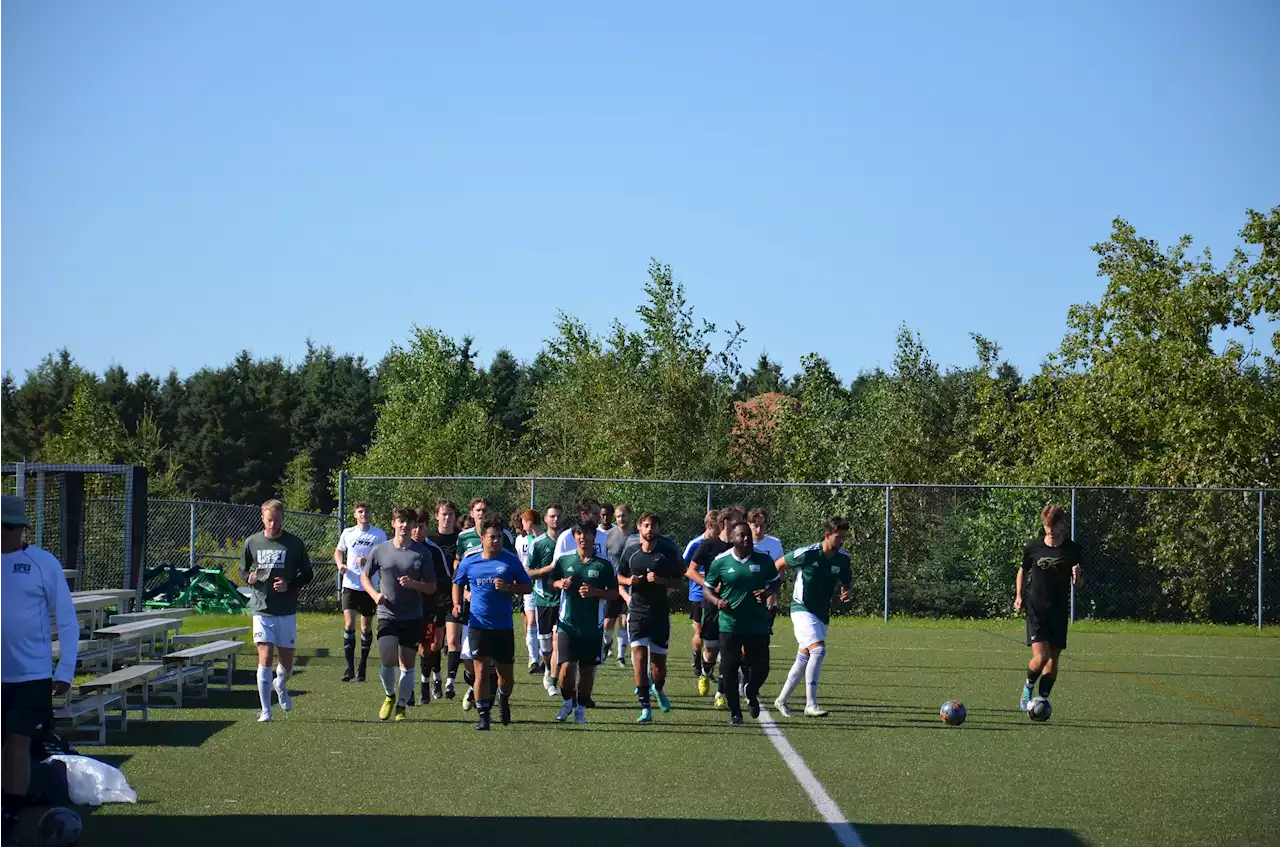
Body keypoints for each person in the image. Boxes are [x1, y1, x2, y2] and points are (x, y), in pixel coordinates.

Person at [0, 496, 77, 843]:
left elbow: (67, 619)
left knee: (17, 744)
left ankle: (10, 817)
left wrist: (66, 669)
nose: (6, 533)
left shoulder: (42, 563)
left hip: (31, 675)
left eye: (12, 527)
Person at [452, 514, 532, 730]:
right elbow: (457, 583)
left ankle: (503, 699)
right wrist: (457, 603)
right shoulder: (470, 560)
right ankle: (483, 715)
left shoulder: (510, 560)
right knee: (480, 672)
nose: (495, 541)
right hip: (478, 625)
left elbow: (528, 587)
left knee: (505, 677)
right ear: (483, 538)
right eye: (491, 537)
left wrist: (509, 588)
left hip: (503, 627)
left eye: (498, 537)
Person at [239, 499, 314, 723]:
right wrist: (249, 577)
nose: (273, 525)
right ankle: (266, 711)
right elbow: (243, 569)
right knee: (264, 657)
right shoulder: (252, 541)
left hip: (286, 610)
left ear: (283, 519)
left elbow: (308, 574)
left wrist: (289, 585)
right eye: (269, 520)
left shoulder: (294, 544)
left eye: (277, 520)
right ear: (262, 518)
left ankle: (280, 684)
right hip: (262, 608)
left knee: (287, 664)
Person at [773, 517, 853, 717]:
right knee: (818, 650)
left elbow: (846, 579)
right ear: (827, 535)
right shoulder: (807, 554)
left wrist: (846, 590)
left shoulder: (843, 558)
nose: (842, 541)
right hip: (801, 609)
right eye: (838, 537)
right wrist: (771, 588)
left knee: (804, 657)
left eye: (844, 537)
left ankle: (781, 700)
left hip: (821, 613)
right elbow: (778, 564)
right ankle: (811, 704)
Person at [701, 519, 779, 725]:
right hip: (730, 624)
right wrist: (717, 601)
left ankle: (750, 691)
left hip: (757, 622)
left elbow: (775, 581)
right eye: (741, 535)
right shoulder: (721, 561)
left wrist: (768, 592)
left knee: (762, 667)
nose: (746, 539)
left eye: (748, 535)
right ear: (733, 538)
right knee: (728, 669)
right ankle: (735, 712)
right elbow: (707, 588)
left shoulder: (763, 560)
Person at [361, 508, 436, 722]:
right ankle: (389, 696)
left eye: (408, 522)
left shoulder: (422, 553)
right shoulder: (380, 550)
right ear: (393, 523)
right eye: (400, 521)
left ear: (414, 526)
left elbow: (431, 587)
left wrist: (414, 584)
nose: (404, 526)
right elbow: (365, 578)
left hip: (412, 616)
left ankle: (401, 706)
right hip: (387, 614)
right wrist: (375, 595)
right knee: (387, 658)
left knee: (407, 663)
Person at [1015, 504, 1083, 713]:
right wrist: (1019, 596)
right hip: (1037, 609)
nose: (1050, 530)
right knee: (1041, 657)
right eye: (1047, 525)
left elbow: (1079, 584)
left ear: (1062, 524)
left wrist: (1077, 578)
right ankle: (1028, 687)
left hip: (1059, 610)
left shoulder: (1072, 550)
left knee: (1053, 660)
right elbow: (1022, 570)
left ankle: (1042, 700)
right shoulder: (1033, 548)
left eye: (1054, 525)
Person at [617, 513, 684, 723]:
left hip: (659, 613)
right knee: (638, 657)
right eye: (646, 525)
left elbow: (679, 583)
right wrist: (630, 581)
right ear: (639, 528)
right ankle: (645, 708)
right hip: (637, 612)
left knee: (658, 665)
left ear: (658, 529)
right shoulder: (631, 552)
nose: (649, 530)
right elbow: (618, 576)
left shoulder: (666, 554)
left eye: (653, 526)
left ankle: (658, 688)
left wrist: (660, 580)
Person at [549, 520, 618, 724]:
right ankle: (567, 702)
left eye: (586, 534)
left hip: (592, 627)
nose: (582, 537)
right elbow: (550, 581)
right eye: (578, 534)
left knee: (587, 671)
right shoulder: (564, 560)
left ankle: (580, 709)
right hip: (567, 624)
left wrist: (595, 592)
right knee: (567, 668)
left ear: (593, 537)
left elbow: (614, 593)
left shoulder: (603, 564)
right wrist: (560, 583)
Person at [687, 507, 737, 707]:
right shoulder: (708, 545)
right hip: (711, 603)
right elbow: (690, 571)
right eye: (735, 522)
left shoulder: (740, 547)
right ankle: (706, 672)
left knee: (729, 651)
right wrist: (708, 583)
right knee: (711, 648)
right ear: (725, 522)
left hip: (734, 606)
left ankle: (721, 694)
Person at [334, 502, 387, 682]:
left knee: (366, 627)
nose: (364, 514)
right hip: (350, 585)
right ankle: (349, 668)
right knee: (349, 625)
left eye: (366, 511)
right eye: (360, 511)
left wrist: (369, 561)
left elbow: (384, 557)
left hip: (369, 587)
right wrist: (340, 564)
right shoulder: (348, 533)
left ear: (371, 514)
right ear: (355, 514)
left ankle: (362, 666)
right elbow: (338, 551)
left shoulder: (379, 535)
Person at [408, 509, 449, 706]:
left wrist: (428, 583)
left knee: (434, 645)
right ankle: (424, 684)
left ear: (427, 527)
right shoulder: (403, 549)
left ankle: (436, 678)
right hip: (409, 606)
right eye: (413, 526)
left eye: (420, 526)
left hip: (432, 604)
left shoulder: (434, 550)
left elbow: (447, 579)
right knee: (420, 648)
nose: (416, 530)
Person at [526, 504, 564, 696]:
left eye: (558, 516)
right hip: (543, 599)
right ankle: (548, 668)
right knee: (546, 644)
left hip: (564, 600)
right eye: (552, 517)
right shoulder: (538, 543)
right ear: (546, 519)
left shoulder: (568, 541)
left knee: (558, 640)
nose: (555, 519)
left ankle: (554, 679)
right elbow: (528, 572)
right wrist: (545, 570)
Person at [428, 500, 460, 700]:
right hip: (433, 595)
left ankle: (450, 682)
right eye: (443, 514)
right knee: (435, 643)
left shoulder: (461, 538)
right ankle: (436, 677)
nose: (447, 518)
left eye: (450, 514)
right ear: (437, 516)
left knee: (453, 640)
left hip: (454, 594)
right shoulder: (430, 539)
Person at [683, 510, 718, 688]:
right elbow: (684, 567)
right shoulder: (695, 544)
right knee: (700, 635)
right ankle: (697, 655)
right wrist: (703, 575)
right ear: (708, 526)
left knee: (713, 637)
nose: (717, 534)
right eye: (715, 530)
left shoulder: (722, 544)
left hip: (715, 596)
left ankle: (707, 669)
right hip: (698, 594)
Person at [604, 504, 636, 666]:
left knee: (625, 620)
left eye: (623, 515)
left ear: (630, 516)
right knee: (608, 621)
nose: (621, 519)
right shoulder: (608, 535)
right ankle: (606, 645)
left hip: (630, 583)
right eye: (618, 516)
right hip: (612, 583)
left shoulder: (637, 536)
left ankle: (621, 656)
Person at [515, 509, 542, 674]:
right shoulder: (519, 540)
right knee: (530, 620)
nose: (522, 525)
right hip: (528, 584)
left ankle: (543, 654)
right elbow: (519, 560)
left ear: (529, 522)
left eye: (523, 522)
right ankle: (533, 659)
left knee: (542, 621)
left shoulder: (542, 539)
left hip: (544, 585)